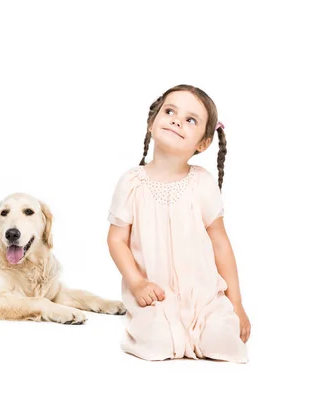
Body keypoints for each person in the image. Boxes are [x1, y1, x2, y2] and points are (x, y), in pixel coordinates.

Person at [106, 84, 250, 362]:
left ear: (203, 143)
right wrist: (137, 283)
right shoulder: (131, 182)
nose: (176, 120)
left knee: (224, 344)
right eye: (170, 111)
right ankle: (155, 328)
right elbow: (116, 240)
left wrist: (237, 304)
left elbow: (220, 244)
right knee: (158, 345)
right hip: (154, 294)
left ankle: (206, 327)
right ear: (152, 123)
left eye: (190, 120)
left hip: (204, 296)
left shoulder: (202, 183)